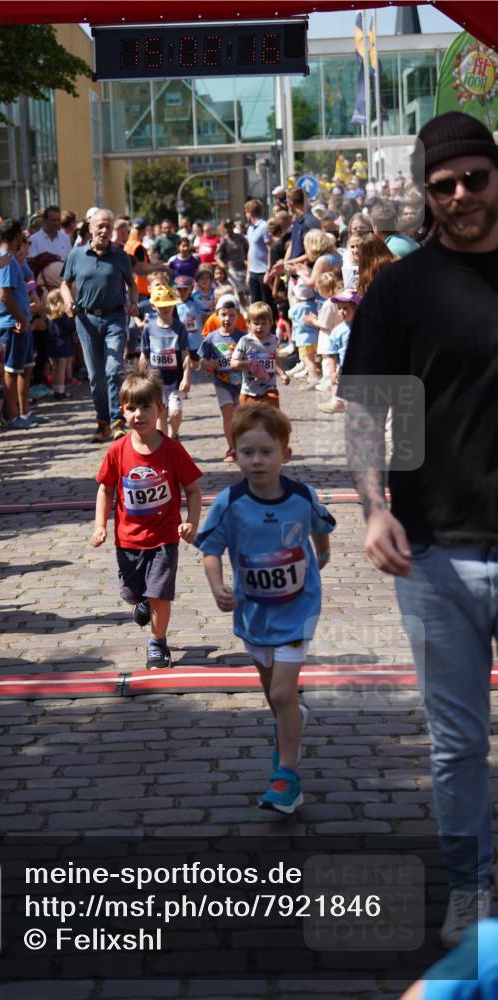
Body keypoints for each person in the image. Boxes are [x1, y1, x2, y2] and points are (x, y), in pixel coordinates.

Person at [340, 111, 498, 949]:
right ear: (425, 196)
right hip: (436, 555)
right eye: (444, 186)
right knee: (455, 746)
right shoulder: (400, 289)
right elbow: (368, 407)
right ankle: (472, 889)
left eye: (474, 177)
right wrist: (372, 506)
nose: (462, 195)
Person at [195, 405, 335, 812]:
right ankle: (288, 730)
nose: (256, 461)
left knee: (282, 691)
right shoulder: (230, 501)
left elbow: (320, 528)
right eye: (247, 452)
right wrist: (218, 585)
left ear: (285, 455)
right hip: (254, 614)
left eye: (266, 452)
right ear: (234, 454)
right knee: (275, 695)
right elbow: (211, 549)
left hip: (298, 609)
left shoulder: (302, 496)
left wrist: (321, 556)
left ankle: (286, 777)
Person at [91, 364, 202, 669]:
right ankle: (140, 601)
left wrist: (192, 521)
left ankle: (158, 644)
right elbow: (106, 490)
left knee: (161, 595)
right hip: (128, 539)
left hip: (164, 538)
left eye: (145, 407)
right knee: (132, 593)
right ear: (122, 412)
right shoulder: (117, 451)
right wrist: (100, 525)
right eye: (131, 408)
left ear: (160, 409)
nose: (138, 414)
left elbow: (193, 490)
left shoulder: (173, 451)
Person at [61, 209, 139, 443]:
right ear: (90, 227)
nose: (104, 231)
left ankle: (117, 420)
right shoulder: (77, 254)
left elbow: (132, 285)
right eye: (100, 226)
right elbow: (65, 283)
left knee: (113, 368)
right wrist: (68, 301)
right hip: (86, 320)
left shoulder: (120, 255)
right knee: (96, 376)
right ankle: (102, 421)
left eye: (108, 226)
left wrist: (133, 303)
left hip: (115, 317)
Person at [0, 219, 36, 430]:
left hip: (20, 321)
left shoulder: (10, 258)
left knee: (25, 368)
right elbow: (4, 296)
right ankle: (13, 415)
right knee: (12, 370)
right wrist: (22, 318)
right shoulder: (5, 259)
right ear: (15, 236)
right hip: (12, 323)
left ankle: (25, 413)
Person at [140, 284, 191, 441]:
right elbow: (145, 354)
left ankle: (174, 435)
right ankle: (164, 444)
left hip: (175, 380)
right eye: (162, 305)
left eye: (169, 304)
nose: (166, 308)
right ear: (154, 306)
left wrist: (187, 377)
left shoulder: (179, 327)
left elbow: (185, 354)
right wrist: (141, 377)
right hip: (156, 381)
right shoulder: (148, 328)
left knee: (174, 412)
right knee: (160, 416)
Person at [199, 292, 244, 462]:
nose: (227, 318)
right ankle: (232, 448)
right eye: (223, 314)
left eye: (232, 315)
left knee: (240, 416)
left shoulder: (243, 337)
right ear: (216, 315)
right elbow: (201, 359)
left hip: (241, 383)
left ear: (237, 316)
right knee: (227, 414)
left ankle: (241, 446)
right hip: (222, 382)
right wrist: (207, 364)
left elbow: (252, 358)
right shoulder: (211, 338)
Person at [231, 301, 290, 407]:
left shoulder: (273, 340)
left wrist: (282, 374)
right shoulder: (245, 341)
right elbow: (233, 363)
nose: (260, 327)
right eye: (256, 323)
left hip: (269, 388)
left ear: (271, 323)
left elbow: (275, 358)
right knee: (248, 422)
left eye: (264, 323)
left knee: (272, 418)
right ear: (248, 323)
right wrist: (249, 363)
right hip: (249, 391)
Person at [318, 287, 360, 414]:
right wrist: (332, 371)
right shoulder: (337, 331)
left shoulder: (364, 327)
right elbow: (332, 353)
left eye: (345, 308)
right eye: (339, 308)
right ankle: (337, 403)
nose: (341, 311)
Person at [244, 198, 272, 307]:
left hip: (263, 272)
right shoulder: (250, 229)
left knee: (266, 304)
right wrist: (248, 272)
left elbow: (270, 249)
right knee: (255, 304)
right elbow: (251, 250)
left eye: (246, 212)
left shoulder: (264, 227)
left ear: (250, 212)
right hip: (253, 272)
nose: (245, 215)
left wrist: (268, 271)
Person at [173, 275, 205, 367]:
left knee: (195, 363)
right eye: (179, 289)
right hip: (179, 339)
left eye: (185, 290)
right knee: (182, 361)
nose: (182, 292)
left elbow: (206, 312)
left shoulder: (194, 301)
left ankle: (193, 366)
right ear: (174, 290)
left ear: (190, 289)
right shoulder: (172, 303)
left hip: (194, 338)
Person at [217, 218, 249, 302]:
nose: (228, 229)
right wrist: (223, 265)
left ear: (233, 227)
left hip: (243, 267)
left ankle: (248, 306)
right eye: (226, 227)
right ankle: (243, 310)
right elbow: (217, 256)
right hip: (233, 269)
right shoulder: (224, 241)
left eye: (230, 227)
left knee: (248, 290)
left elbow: (248, 249)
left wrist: (248, 261)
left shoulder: (240, 238)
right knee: (239, 291)